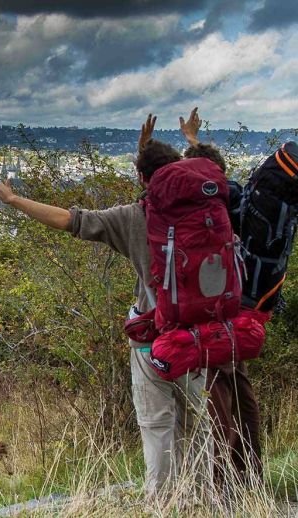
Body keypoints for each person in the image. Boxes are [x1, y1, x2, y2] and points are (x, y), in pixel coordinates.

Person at [0, 115, 213, 501]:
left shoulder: (132, 218)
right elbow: (210, 168)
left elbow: (69, 220)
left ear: (143, 178)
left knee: (158, 424)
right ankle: (208, 495)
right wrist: (191, 140)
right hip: (202, 335)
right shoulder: (211, 209)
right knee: (207, 421)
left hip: (153, 340)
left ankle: (162, 501)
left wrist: (13, 199)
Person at [178, 108, 263, 488]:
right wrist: (195, 144)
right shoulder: (233, 199)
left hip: (206, 312)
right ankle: (250, 475)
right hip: (238, 308)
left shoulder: (194, 209)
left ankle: (223, 484)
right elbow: (217, 173)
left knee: (216, 396)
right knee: (239, 387)